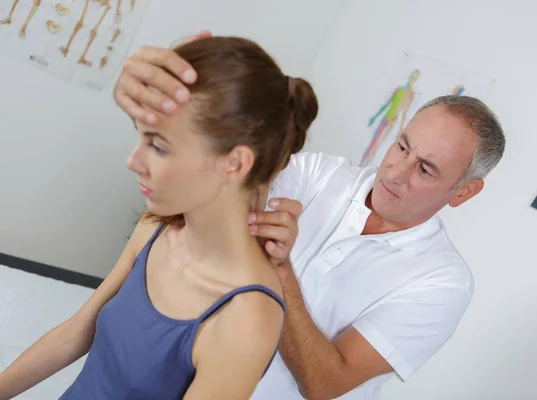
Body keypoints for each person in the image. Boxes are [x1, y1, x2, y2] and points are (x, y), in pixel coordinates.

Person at [113, 31, 506, 400]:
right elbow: (217, 196)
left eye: (425, 169)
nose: (396, 172)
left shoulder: (442, 283)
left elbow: (324, 383)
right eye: (402, 146)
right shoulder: (319, 173)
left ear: (464, 192)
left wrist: (282, 270)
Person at [0, 36, 319, 400]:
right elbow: (76, 332)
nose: (133, 161)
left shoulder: (248, 318)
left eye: (157, 146)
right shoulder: (156, 226)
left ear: (235, 163)